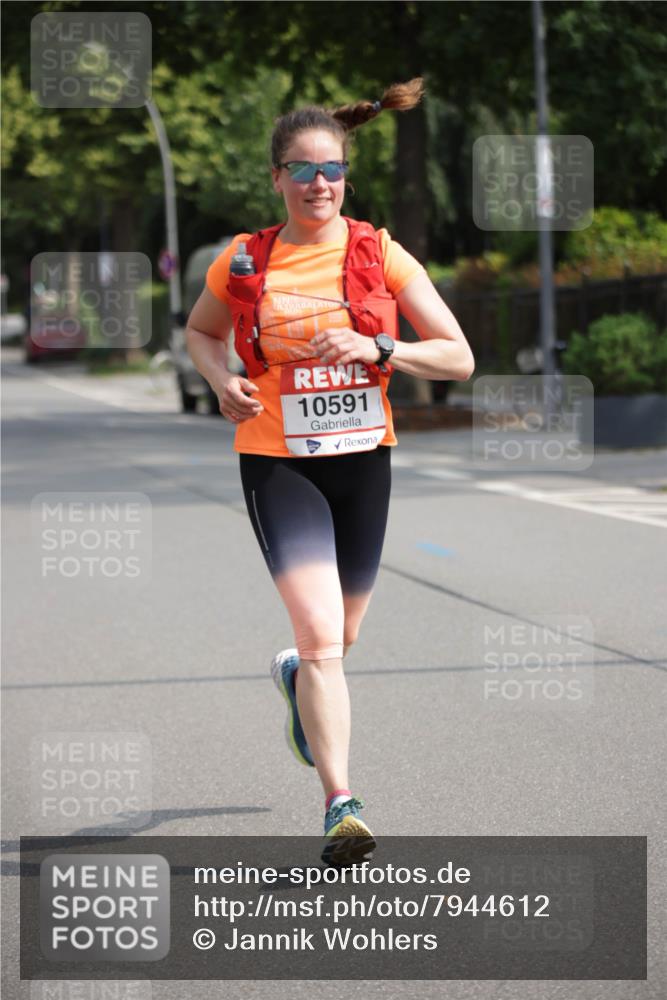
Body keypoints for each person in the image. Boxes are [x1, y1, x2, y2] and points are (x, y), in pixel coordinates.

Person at [185, 78, 474, 865]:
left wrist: (380, 346)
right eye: (303, 170)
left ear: (346, 175)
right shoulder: (244, 259)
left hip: (361, 458)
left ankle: (295, 680)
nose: (320, 184)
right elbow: (202, 334)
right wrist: (221, 381)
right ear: (276, 178)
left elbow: (457, 355)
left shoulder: (378, 252)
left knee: (340, 638)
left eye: (332, 170)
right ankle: (340, 804)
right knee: (319, 639)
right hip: (277, 461)